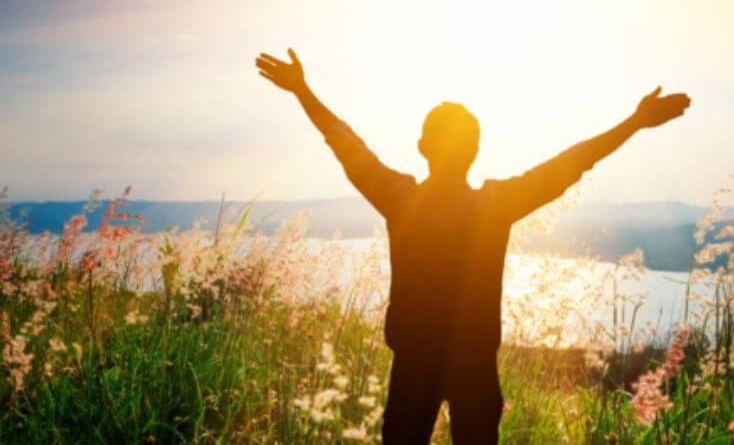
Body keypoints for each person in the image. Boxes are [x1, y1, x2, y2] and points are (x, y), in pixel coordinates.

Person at [255, 48, 691, 444]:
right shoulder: (493, 206)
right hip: (475, 367)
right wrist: (635, 122)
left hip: (414, 366)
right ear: (476, 150)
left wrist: (303, 91)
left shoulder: (400, 199)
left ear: (423, 147)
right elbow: (572, 164)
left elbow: (345, 143)